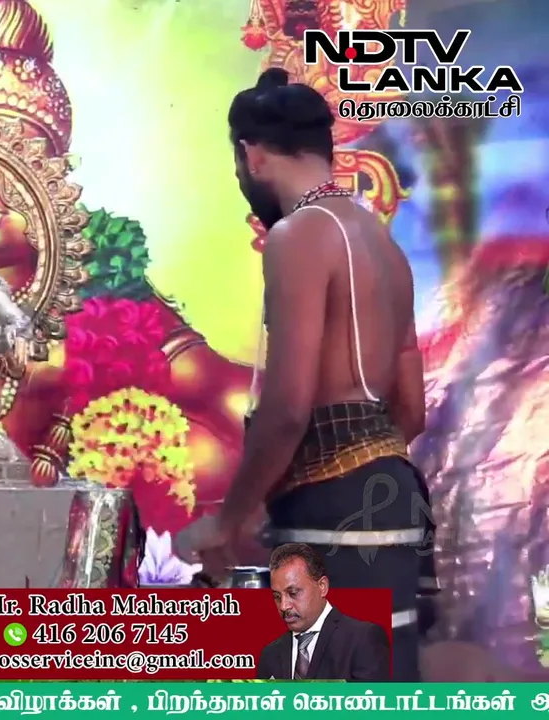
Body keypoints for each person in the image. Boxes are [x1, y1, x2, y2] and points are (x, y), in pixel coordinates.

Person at [174, 68, 432, 681]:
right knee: (386, 685)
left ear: (252, 155)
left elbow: (289, 407)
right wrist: (364, 467)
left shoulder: (297, 235)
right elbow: (411, 411)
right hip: (396, 502)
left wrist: (229, 522)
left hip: (330, 511)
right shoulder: (385, 248)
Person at [256, 543, 390, 681]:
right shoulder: (270, 655)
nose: (284, 606)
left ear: (322, 586)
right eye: (277, 596)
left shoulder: (362, 640)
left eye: (293, 593)